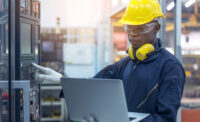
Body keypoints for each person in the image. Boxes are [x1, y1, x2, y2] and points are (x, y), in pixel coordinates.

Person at [33, 0, 186, 121]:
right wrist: (61, 80)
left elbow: (166, 118)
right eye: (130, 28)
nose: (132, 34)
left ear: (156, 27)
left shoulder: (170, 67)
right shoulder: (124, 65)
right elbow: (94, 86)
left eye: (140, 28)